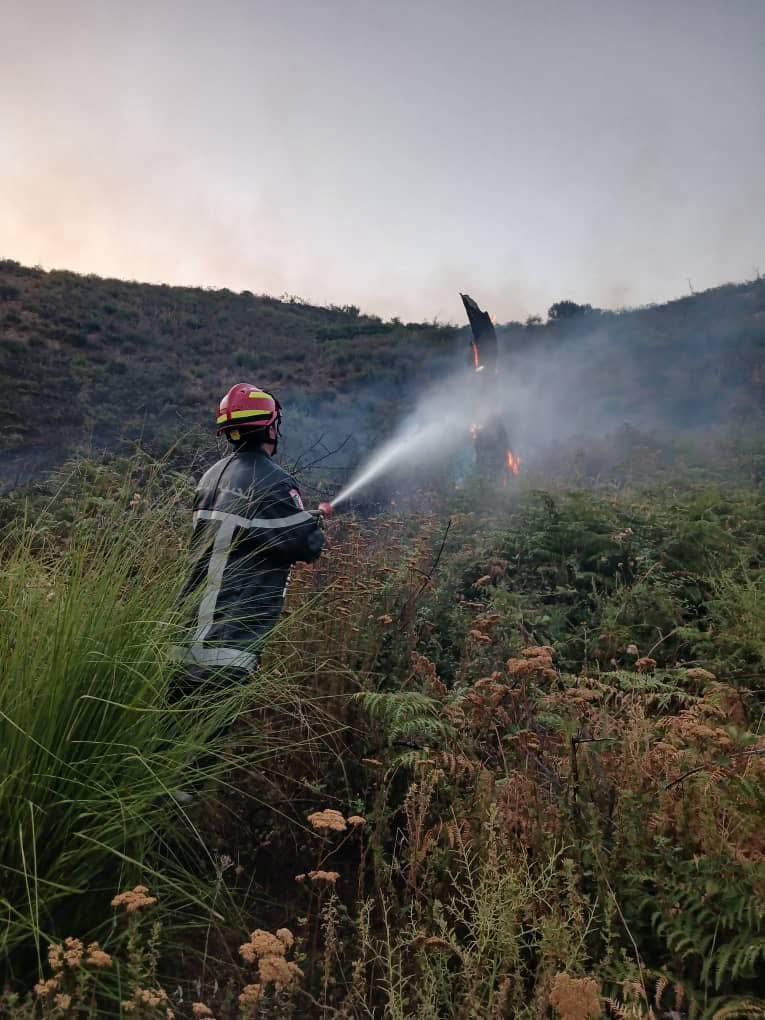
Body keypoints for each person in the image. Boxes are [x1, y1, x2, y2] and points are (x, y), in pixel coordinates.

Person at [173, 383, 324, 687]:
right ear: (270, 428)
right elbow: (309, 545)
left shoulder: (210, 478)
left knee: (173, 731)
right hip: (228, 646)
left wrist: (300, 520)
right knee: (209, 734)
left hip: (182, 639)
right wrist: (314, 522)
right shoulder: (275, 483)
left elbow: (249, 532)